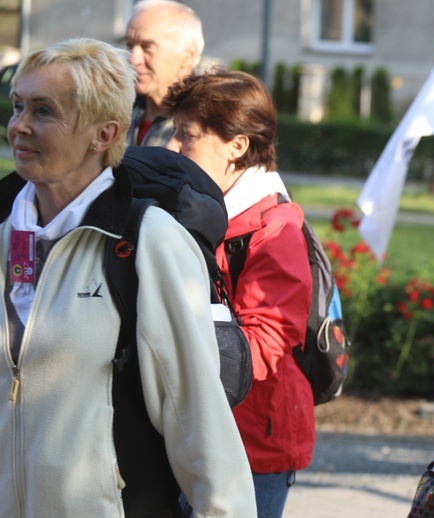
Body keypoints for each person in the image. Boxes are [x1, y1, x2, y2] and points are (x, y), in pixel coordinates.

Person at [0, 38, 255, 516]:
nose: (19, 126)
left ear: (104, 134)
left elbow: (197, 413)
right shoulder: (3, 231)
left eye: (44, 111)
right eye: (17, 106)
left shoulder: (147, 239)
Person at [163, 69, 314, 518]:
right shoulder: (199, 205)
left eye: (186, 136)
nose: (172, 147)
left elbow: (266, 344)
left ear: (237, 147)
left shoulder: (276, 226)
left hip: (252, 448)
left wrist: (180, 346)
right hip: (200, 431)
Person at [124, 0, 204, 146]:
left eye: (147, 47)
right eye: (129, 46)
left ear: (188, 55)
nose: (134, 60)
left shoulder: (206, 122)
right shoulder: (118, 109)